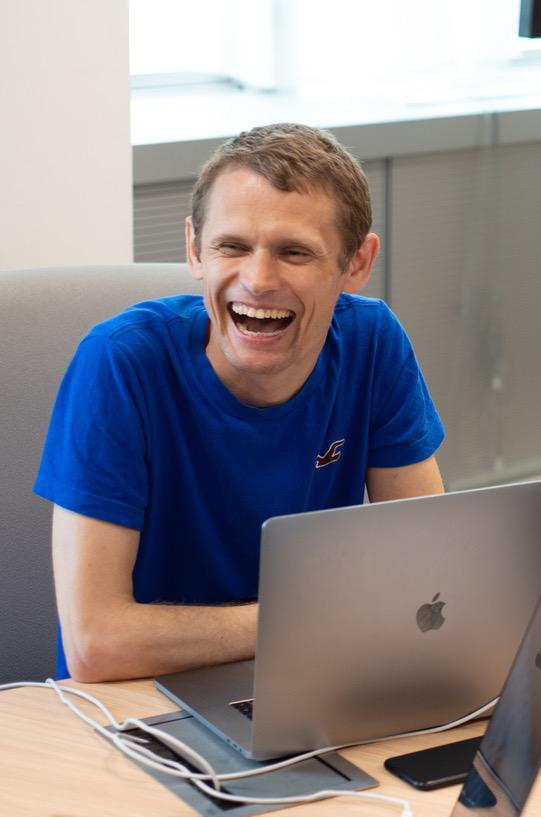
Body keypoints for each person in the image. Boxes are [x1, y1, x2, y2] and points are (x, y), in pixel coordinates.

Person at [35, 123, 445, 683]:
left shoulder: (374, 343)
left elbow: (426, 571)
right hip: (138, 705)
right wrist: (317, 620)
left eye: (294, 252)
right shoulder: (119, 363)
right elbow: (96, 645)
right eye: (232, 246)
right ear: (193, 249)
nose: (257, 280)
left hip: (309, 678)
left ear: (356, 263)